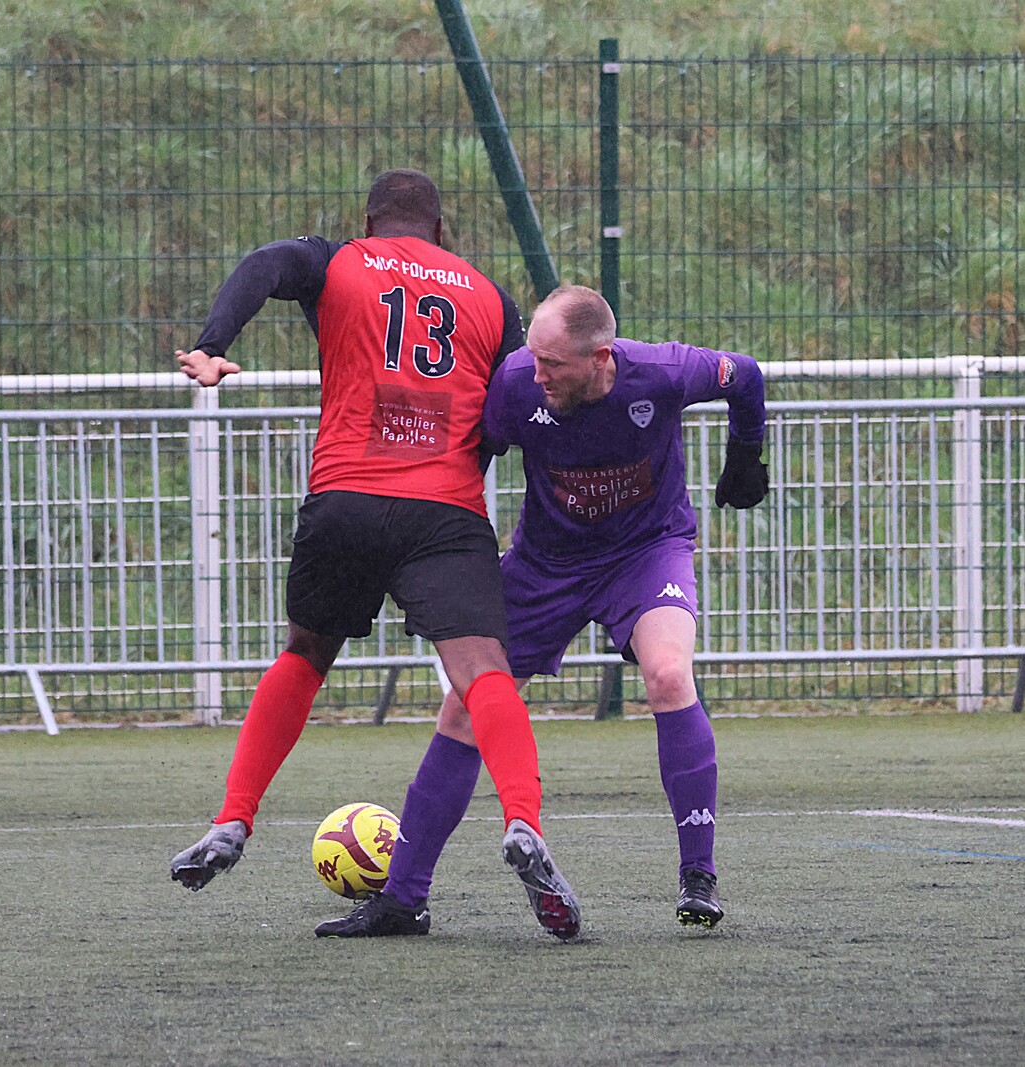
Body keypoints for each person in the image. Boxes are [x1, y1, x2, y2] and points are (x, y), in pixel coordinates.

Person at [167, 169, 581, 942]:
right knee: (483, 673)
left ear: (369, 222)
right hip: (446, 508)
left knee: (304, 656)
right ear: (442, 230)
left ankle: (232, 819)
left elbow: (264, 264)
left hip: (346, 499)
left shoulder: (339, 261)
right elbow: (508, 407)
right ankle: (524, 821)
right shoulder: (490, 298)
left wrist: (212, 345)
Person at [320, 284, 768, 938]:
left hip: (646, 553)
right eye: (533, 357)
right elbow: (467, 454)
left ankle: (698, 875)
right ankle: (403, 898)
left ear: (600, 358)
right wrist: (428, 546)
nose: (538, 373)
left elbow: (745, 375)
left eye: (552, 363)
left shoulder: (664, 371)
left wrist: (746, 455)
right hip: (545, 564)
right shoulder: (515, 384)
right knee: (465, 704)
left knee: (669, 674)